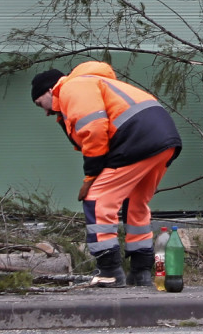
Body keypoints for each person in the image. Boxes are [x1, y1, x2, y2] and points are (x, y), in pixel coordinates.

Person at [31, 61, 182, 287]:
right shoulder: (97, 82)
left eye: (39, 103)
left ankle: (109, 272)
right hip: (163, 140)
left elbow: (93, 128)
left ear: (50, 90)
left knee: (97, 200)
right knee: (136, 202)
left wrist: (91, 175)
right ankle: (141, 273)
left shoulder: (71, 87)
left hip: (136, 138)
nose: (44, 112)